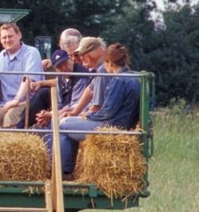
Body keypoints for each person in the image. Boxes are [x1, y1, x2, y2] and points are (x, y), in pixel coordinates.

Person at [46, 43, 140, 174]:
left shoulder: (118, 80)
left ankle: (62, 171)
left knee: (63, 125)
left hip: (111, 126)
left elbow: (108, 111)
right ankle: (65, 169)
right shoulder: (134, 78)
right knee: (69, 122)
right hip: (122, 123)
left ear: (109, 62)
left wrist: (89, 116)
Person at [0, 23, 44, 127]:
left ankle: (10, 143)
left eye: (10, 36)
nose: (7, 40)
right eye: (4, 37)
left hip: (27, 103)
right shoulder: (0, 57)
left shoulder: (31, 53)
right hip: (5, 104)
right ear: (0, 39)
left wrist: (16, 100)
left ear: (19, 35)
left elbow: (28, 79)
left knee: (11, 115)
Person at [28, 49, 90, 128]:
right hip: (64, 112)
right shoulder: (60, 77)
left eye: (65, 63)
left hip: (79, 114)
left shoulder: (81, 76)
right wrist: (48, 113)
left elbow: (75, 106)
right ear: (55, 69)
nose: (64, 68)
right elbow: (59, 103)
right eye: (59, 66)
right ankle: (23, 128)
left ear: (70, 59)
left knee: (54, 122)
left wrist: (51, 114)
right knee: (44, 119)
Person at [62, 37, 107, 118]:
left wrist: (81, 115)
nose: (81, 58)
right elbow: (89, 90)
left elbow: (96, 107)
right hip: (98, 116)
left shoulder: (103, 71)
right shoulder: (98, 71)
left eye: (83, 55)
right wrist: (74, 113)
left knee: (63, 124)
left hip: (104, 119)